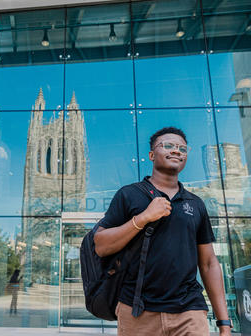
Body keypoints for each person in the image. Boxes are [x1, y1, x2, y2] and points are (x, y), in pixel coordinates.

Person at [94, 127, 232, 336]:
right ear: (151, 155)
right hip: (137, 312)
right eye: (168, 145)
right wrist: (142, 218)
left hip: (189, 312)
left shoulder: (196, 204)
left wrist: (224, 323)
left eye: (182, 148)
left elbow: (208, 263)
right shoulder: (129, 195)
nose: (177, 151)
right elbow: (101, 246)